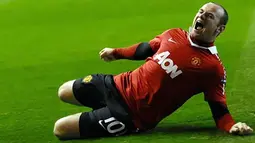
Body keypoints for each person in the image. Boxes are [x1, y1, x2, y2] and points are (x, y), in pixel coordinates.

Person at [53, 2, 253, 140]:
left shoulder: (212, 68)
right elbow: (146, 48)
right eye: (201, 11)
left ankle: (102, 117)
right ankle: (98, 114)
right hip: (117, 84)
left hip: (130, 114)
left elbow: (219, 109)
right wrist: (117, 52)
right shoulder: (174, 34)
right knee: (63, 91)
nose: (201, 15)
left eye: (209, 16)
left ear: (219, 29)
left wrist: (231, 126)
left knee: (60, 129)